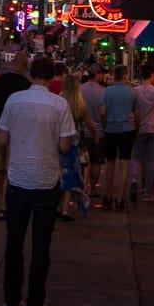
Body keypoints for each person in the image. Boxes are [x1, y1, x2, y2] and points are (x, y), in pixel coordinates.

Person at [0, 54, 76, 306]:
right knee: (41, 245)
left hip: (18, 178)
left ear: (30, 75)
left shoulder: (14, 100)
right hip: (45, 180)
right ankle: (35, 304)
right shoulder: (59, 104)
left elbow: (2, 140)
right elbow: (65, 146)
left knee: (14, 243)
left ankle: (11, 299)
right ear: (53, 77)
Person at [0, 51, 31, 220]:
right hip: (17, 133)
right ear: (25, 67)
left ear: (13, 64)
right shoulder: (26, 84)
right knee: (11, 168)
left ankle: (2, 202)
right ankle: (6, 202)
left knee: (0, 167)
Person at [57, 72, 98, 220]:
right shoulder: (80, 104)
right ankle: (65, 209)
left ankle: (57, 205)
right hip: (74, 142)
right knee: (71, 174)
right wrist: (95, 135)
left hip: (58, 140)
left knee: (58, 173)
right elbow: (89, 124)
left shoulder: (58, 101)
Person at [101, 64, 139, 211]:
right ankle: (120, 198)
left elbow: (103, 112)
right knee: (124, 164)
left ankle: (108, 194)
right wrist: (137, 127)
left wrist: (105, 125)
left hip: (111, 128)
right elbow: (136, 113)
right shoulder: (132, 92)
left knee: (110, 162)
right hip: (127, 129)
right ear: (125, 75)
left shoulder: (107, 92)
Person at [130, 63, 154, 202]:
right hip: (153, 128)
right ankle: (148, 191)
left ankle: (133, 179)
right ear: (152, 75)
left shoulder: (135, 91)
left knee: (136, 156)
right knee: (151, 159)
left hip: (139, 127)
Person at [80, 65, 106, 199]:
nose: (103, 76)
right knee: (96, 162)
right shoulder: (103, 91)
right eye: (101, 74)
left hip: (83, 132)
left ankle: (81, 187)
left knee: (82, 162)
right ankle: (92, 188)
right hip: (99, 133)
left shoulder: (80, 89)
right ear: (97, 74)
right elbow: (103, 113)